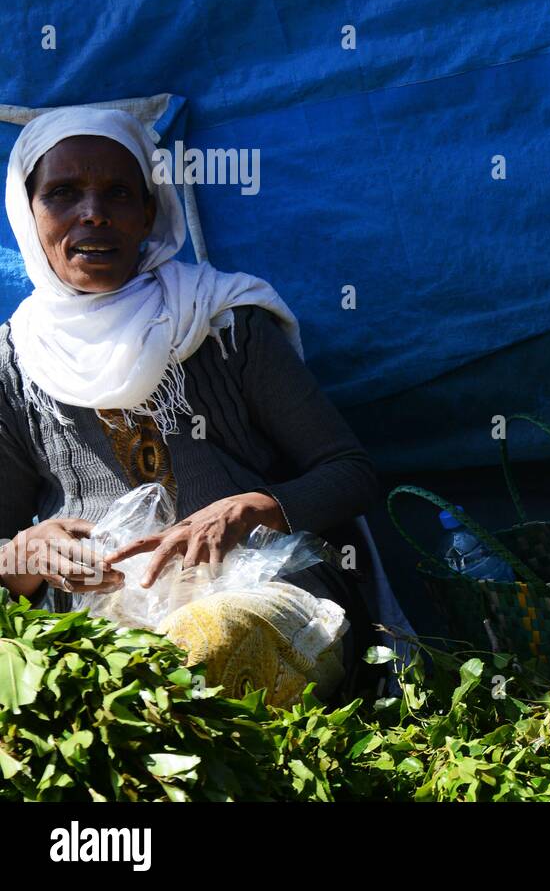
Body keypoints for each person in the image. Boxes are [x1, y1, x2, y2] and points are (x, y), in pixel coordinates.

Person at [0, 106, 382, 706]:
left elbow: (352, 474)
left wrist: (253, 509)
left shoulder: (223, 322)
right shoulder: (15, 359)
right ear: (29, 213)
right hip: (94, 620)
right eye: (63, 193)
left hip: (260, 587)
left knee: (204, 652)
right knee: (105, 684)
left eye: (118, 193)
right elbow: (4, 547)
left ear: (149, 212)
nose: (93, 213)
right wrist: (23, 553)